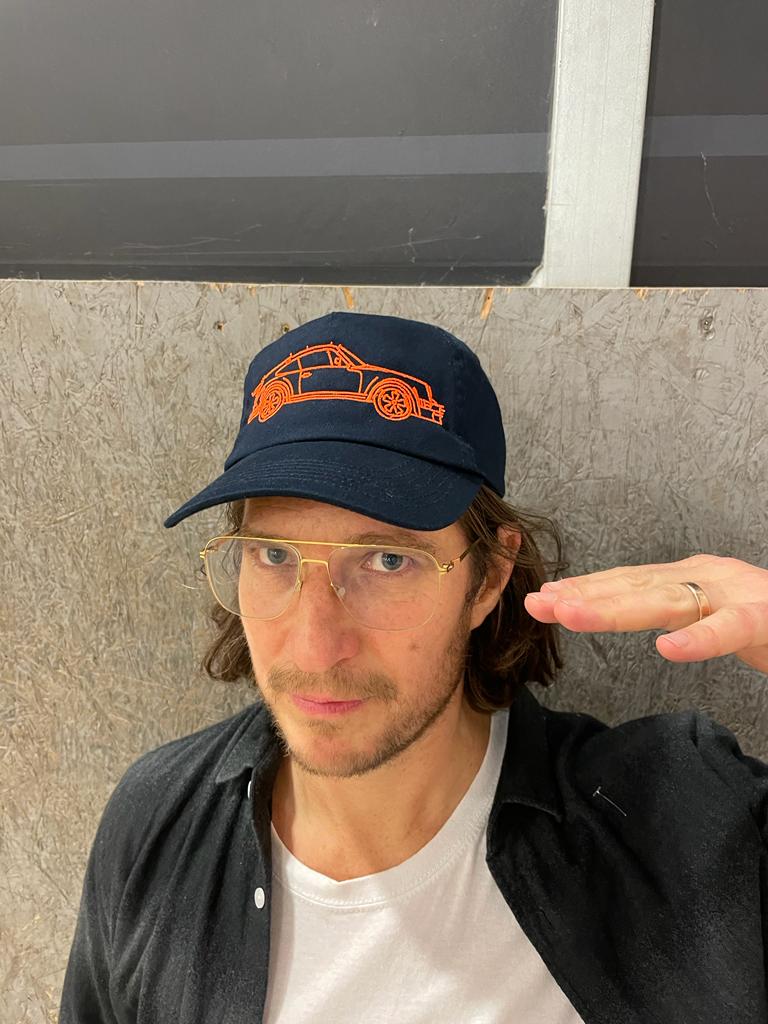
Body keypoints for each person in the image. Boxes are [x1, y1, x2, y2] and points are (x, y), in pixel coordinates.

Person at [60, 312, 768, 1024]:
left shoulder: (671, 820)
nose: (314, 648)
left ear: (489, 577)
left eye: (388, 560)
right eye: (273, 555)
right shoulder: (157, 822)